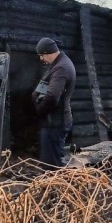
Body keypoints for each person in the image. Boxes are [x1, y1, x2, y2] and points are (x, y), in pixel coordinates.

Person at [32, 38, 76, 167]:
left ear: (49, 52)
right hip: (53, 122)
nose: (41, 59)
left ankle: (55, 186)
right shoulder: (59, 64)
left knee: (51, 165)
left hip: (55, 123)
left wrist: (39, 110)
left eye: (42, 55)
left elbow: (52, 96)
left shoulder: (61, 68)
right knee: (50, 161)